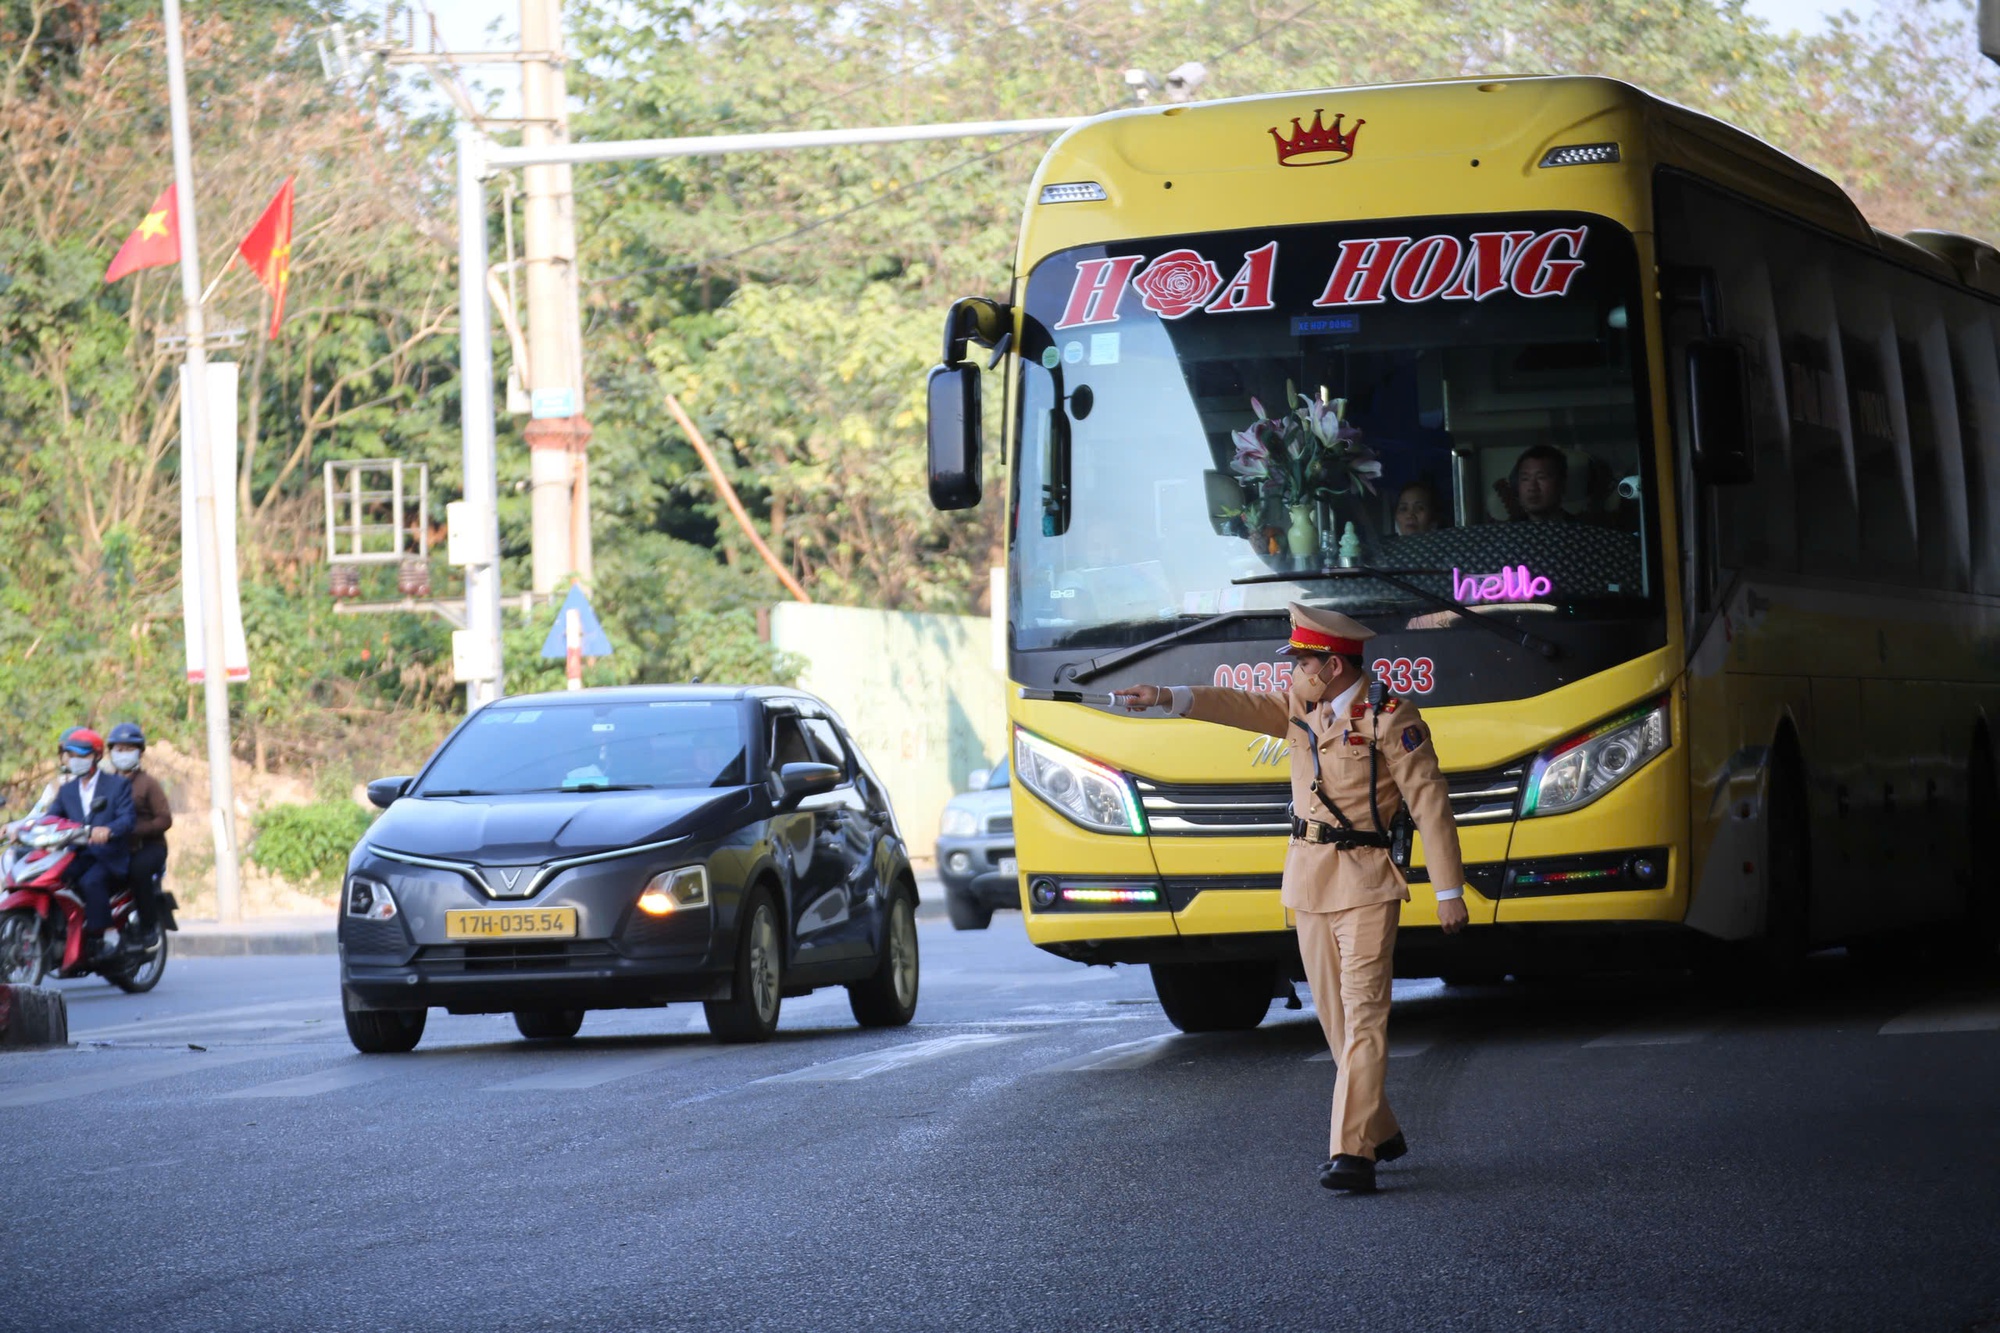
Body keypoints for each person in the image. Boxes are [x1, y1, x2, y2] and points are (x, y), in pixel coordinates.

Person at [1112, 604, 1471, 1194]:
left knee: (1362, 1016)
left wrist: (1449, 890)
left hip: (1365, 883)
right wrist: (1163, 696)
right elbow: (1230, 705)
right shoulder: (1297, 709)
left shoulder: (1389, 718)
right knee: (1333, 1020)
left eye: (1301, 662)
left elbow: (1430, 802)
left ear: (1331, 666)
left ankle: (1351, 1154)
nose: (1291, 672)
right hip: (1308, 881)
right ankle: (1379, 1128)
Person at [47, 728, 135, 962]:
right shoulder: (66, 791)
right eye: (72, 755)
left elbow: (127, 818)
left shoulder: (117, 785)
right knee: (54, 877)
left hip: (109, 855)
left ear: (96, 756)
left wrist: (109, 830)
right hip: (80, 854)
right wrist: (18, 828)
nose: (76, 760)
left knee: (91, 881)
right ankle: (63, 929)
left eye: (82, 755)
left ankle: (108, 934)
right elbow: (50, 817)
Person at [106, 722, 171, 946]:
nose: (123, 754)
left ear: (139, 752)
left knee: (137, 871)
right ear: (111, 752)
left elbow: (165, 819)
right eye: (119, 749)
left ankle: (148, 927)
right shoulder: (106, 784)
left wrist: (136, 830)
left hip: (149, 847)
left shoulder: (148, 784)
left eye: (129, 749)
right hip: (117, 846)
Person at [1507, 445, 1572, 522]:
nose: (1532, 488)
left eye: (1541, 477)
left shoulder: (1581, 529)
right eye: (1525, 479)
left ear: (1562, 484)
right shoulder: (1508, 530)